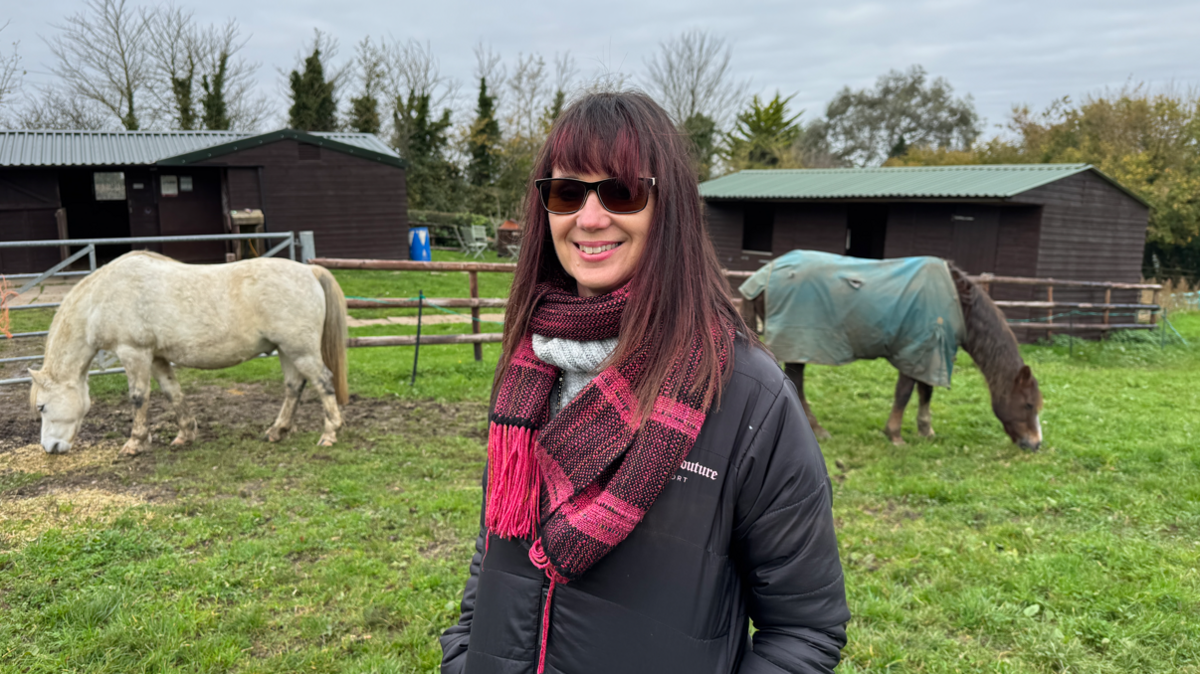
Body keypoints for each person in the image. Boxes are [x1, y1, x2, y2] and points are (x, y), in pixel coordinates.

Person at [440, 91, 849, 674]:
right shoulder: (526, 371)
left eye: (622, 191)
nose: (589, 217)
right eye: (567, 191)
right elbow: (496, 545)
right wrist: (464, 653)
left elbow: (805, 630)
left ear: (668, 205)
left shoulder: (748, 396)